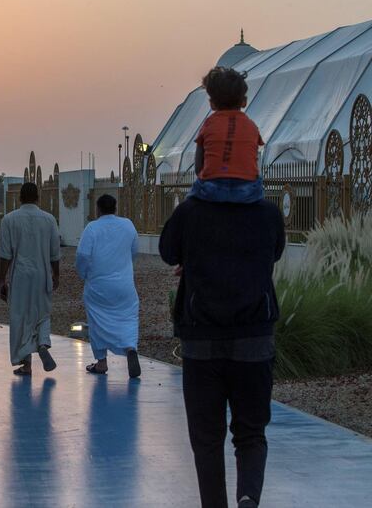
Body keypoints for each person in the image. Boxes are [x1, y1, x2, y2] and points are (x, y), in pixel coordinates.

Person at [159, 183, 285, 508]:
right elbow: (274, 252)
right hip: (254, 339)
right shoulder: (268, 213)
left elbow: (167, 250)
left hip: (202, 342)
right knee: (251, 433)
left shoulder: (190, 212)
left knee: (207, 440)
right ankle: (247, 500)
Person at [75, 194, 141, 379]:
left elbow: (82, 256)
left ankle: (101, 362)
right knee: (128, 317)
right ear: (115, 208)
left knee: (97, 321)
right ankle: (130, 348)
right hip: (125, 285)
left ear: (98, 209)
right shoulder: (128, 225)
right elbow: (134, 251)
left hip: (98, 286)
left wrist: (84, 274)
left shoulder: (92, 228)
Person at [0, 182, 60, 375]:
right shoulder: (49, 220)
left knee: (21, 316)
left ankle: (26, 363)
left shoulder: (9, 220)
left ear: (20, 198)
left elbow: (5, 254)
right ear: (38, 197)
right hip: (42, 273)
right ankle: (42, 342)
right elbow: (55, 253)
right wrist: (56, 274)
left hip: (20, 274)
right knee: (42, 313)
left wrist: (2, 279)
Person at [190, 66, 264, 204]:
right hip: (246, 191)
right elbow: (253, 160)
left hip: (213, 190)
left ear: (212, 104)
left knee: (187, 207)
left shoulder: (209, 125)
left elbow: (198, 167)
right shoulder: (251, 127)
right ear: (244, 101)